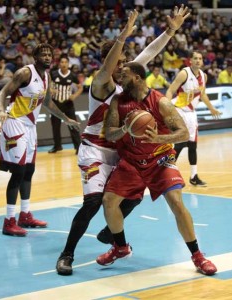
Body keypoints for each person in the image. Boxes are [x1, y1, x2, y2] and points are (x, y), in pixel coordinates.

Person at [56, 5, 190, 276]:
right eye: (116, 62)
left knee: (131, 197)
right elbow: (109, 66)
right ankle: (67, 254)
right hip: (95, 149)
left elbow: (148, 53)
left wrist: (170, 31)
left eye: (122, 63)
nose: (121, 66)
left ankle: (117, 240)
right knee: (93, 202)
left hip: (120, 150)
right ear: (108, 62)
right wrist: (122, 37)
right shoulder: (100, 84)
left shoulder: (126, 84)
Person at [96, 61, 217, 276]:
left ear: (137, 78)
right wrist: (125, 128)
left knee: (177, 203)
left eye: (124, 75)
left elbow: (182, 133)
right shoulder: (118, 101)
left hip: (159, 160)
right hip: (131, 162)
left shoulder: (160, 102)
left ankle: (198, 256)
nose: (119, 79)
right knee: (109, 202)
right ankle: (121, 248)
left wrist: (158, 137)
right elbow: (111, 133)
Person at [0, 43, 80, 237]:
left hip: (30, 127)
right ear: (35, 57)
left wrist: (66, 119)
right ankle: (9, 221)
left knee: (29, 171)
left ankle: (25, 214)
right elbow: (2, 93)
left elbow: (49, 103)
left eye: (50, 54)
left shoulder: (46, 76)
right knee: (17, 172)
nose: (47, 57)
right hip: (15, 123)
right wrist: (1, 110)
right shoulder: (24, 73)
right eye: (43, 54)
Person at [166, 51, 221, 186]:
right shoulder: (184, 73)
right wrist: (166, 109)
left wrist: (211, 108)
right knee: (179, 144)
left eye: (200, 59)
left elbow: (203, 95)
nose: (198, 60)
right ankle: (167, 175)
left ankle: (193, 176)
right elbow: (170, 90)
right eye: (195, 58)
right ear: (190, 61)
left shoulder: (204, 76)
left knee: (192, 145)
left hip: (191, 113)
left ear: (202, 61)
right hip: (179, 110)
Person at [48, 56, 83, 154]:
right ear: (59, 64)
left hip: (68, 104)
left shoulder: (72, 75)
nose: (63, 64)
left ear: (68, 64)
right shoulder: (54, 74)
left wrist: (74, 96)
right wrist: (51, 89)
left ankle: (78, 147)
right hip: (56, 104)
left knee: (73, 125)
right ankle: (57, 146)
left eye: (65, 62)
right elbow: (47, 84)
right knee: (55, 126)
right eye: (62, 62)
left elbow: (80, 87)